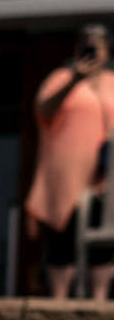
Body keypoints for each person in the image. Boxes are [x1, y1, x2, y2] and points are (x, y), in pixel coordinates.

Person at [27, 24, 114, 300]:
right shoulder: (62, 78)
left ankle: (99, 302)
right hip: (66, 176)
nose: (91, 49)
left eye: (97, 45)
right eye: (85, 45)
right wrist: (76, 79)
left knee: (104, 242)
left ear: (108, 50)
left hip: (104, 178)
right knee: (62, 243)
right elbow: (43, 109)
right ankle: (58, 302)